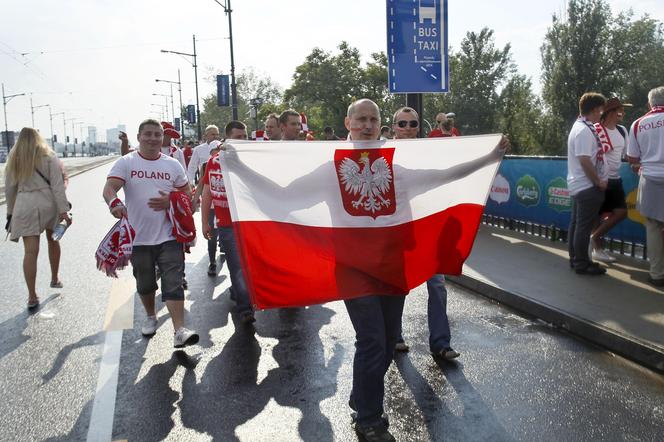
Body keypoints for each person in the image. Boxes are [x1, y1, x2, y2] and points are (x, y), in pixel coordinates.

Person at [103, 118, 199, 347]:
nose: (153, 138)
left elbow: (187, 195)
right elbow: (109, 188)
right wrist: (114, 202)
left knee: (173, 281)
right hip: (139, 238)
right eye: (148, 134)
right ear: (139, 137)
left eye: (157, 134)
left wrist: (172, 200)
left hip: (169, 235)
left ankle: (179, 330)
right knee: (145, 283)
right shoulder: (126, 163)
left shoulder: (172, 165)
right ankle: (150, 316)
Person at [390, 106, 460, 360]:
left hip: (428, 230)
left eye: (412, 124)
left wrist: (495, 149)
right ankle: (394, 336)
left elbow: (455, 166)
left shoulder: (431, 151)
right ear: (394, 125)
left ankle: (441, 343)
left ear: (418, 126)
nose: (408, 128)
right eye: (402, 124)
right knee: (398, 287)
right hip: (398, 231)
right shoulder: (384, 151)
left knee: (437, 285)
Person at [4, 128, 71, 309]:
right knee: (53, 240)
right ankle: (55, 278)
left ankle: (32, 296)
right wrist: (64, 211)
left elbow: (10, 189)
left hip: (24, 204)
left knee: (30, 252)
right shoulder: (49, 156)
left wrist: (10, 212)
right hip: (48, 203)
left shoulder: (14, 159)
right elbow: (57, 187)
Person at [200, 120, 256, 323]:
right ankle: (245, 308)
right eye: (239, 137)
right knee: (238, 268)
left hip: (251, 224)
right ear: (228, 137)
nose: (243, 140)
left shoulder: (252, 160)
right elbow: (207, 193)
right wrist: (205, 222)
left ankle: (245, 295)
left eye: (245, 136)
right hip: (228, 226)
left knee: (252, 267)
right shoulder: (215, 162)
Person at [567, 92, 608, 275]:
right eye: (600, 110)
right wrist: (598, 181)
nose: (601, 113)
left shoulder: (580, 126)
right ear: (593, 109)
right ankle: (582, 263)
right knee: (583, 227)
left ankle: (576, 259)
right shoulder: (584, 130)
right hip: (586, 185)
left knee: (577, 224)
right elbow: (584, 159)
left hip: (580, 185)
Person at [627, 86, 664, 287]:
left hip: (650, 179)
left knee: (653, 227)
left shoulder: (638, 123)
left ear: (650, 103)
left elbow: (632, 157)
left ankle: (657, 274)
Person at [589, 97, 631, 262]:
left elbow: (627, 155)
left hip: (615, 179)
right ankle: (597, 250)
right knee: (597, 216)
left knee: (621, 213)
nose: (623, 113)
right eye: (620, 109)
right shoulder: (595, 130)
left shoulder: (622, 131)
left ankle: (592, 238)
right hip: (600, 179)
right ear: (611, 112)